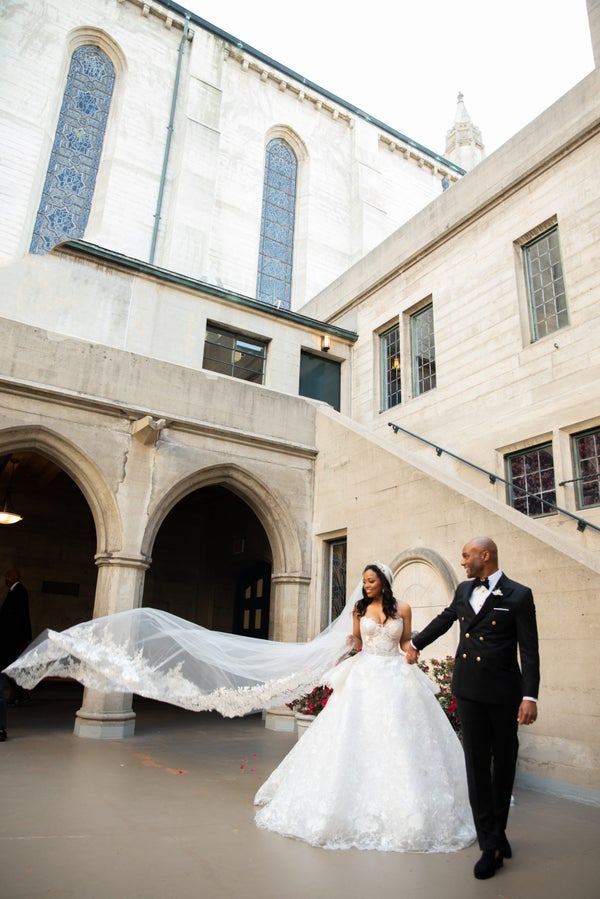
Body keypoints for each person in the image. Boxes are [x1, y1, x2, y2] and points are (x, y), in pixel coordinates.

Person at [254, 563, 476, 852]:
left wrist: (411, 652)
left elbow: (406, 641)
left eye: (371, 581)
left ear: (383, 582)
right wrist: (351, 640)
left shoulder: (404, 609)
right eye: (365, 581)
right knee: (357, 731)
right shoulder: (359, 609)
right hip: (366, 674)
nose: (366, 585)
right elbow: (359, 640)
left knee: (399, 734)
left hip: (397, 673)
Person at [405, 537, 540, 880]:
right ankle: (489, 845)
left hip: (503, 692)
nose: (462, 561)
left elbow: (529, 650)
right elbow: (445, 619)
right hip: (468, 690)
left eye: (467, 556)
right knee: (476, 765)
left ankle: (497, 831)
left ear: (486, 555)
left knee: (504, 761)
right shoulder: (464, 590)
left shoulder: (519, 595)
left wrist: (530, 696)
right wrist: (413, 644)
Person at [0, 569, 33, 729]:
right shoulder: (14, 591)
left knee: (9, 666)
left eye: (8, 575)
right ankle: (19, 693)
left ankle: (20, 692)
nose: (5, 578)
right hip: (10, 638)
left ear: (15, 577)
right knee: (8, 666)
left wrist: (24, 637)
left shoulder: (20, 591)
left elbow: (19, 616)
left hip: (13, 638)